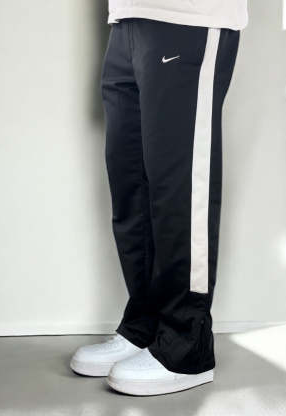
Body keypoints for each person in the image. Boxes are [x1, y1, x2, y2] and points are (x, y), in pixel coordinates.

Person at [70, 0, 248, 396]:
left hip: (190, 17)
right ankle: (146, 327)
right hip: (127, 19)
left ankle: (186, 345)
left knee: (179, 188)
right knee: (130, 184)